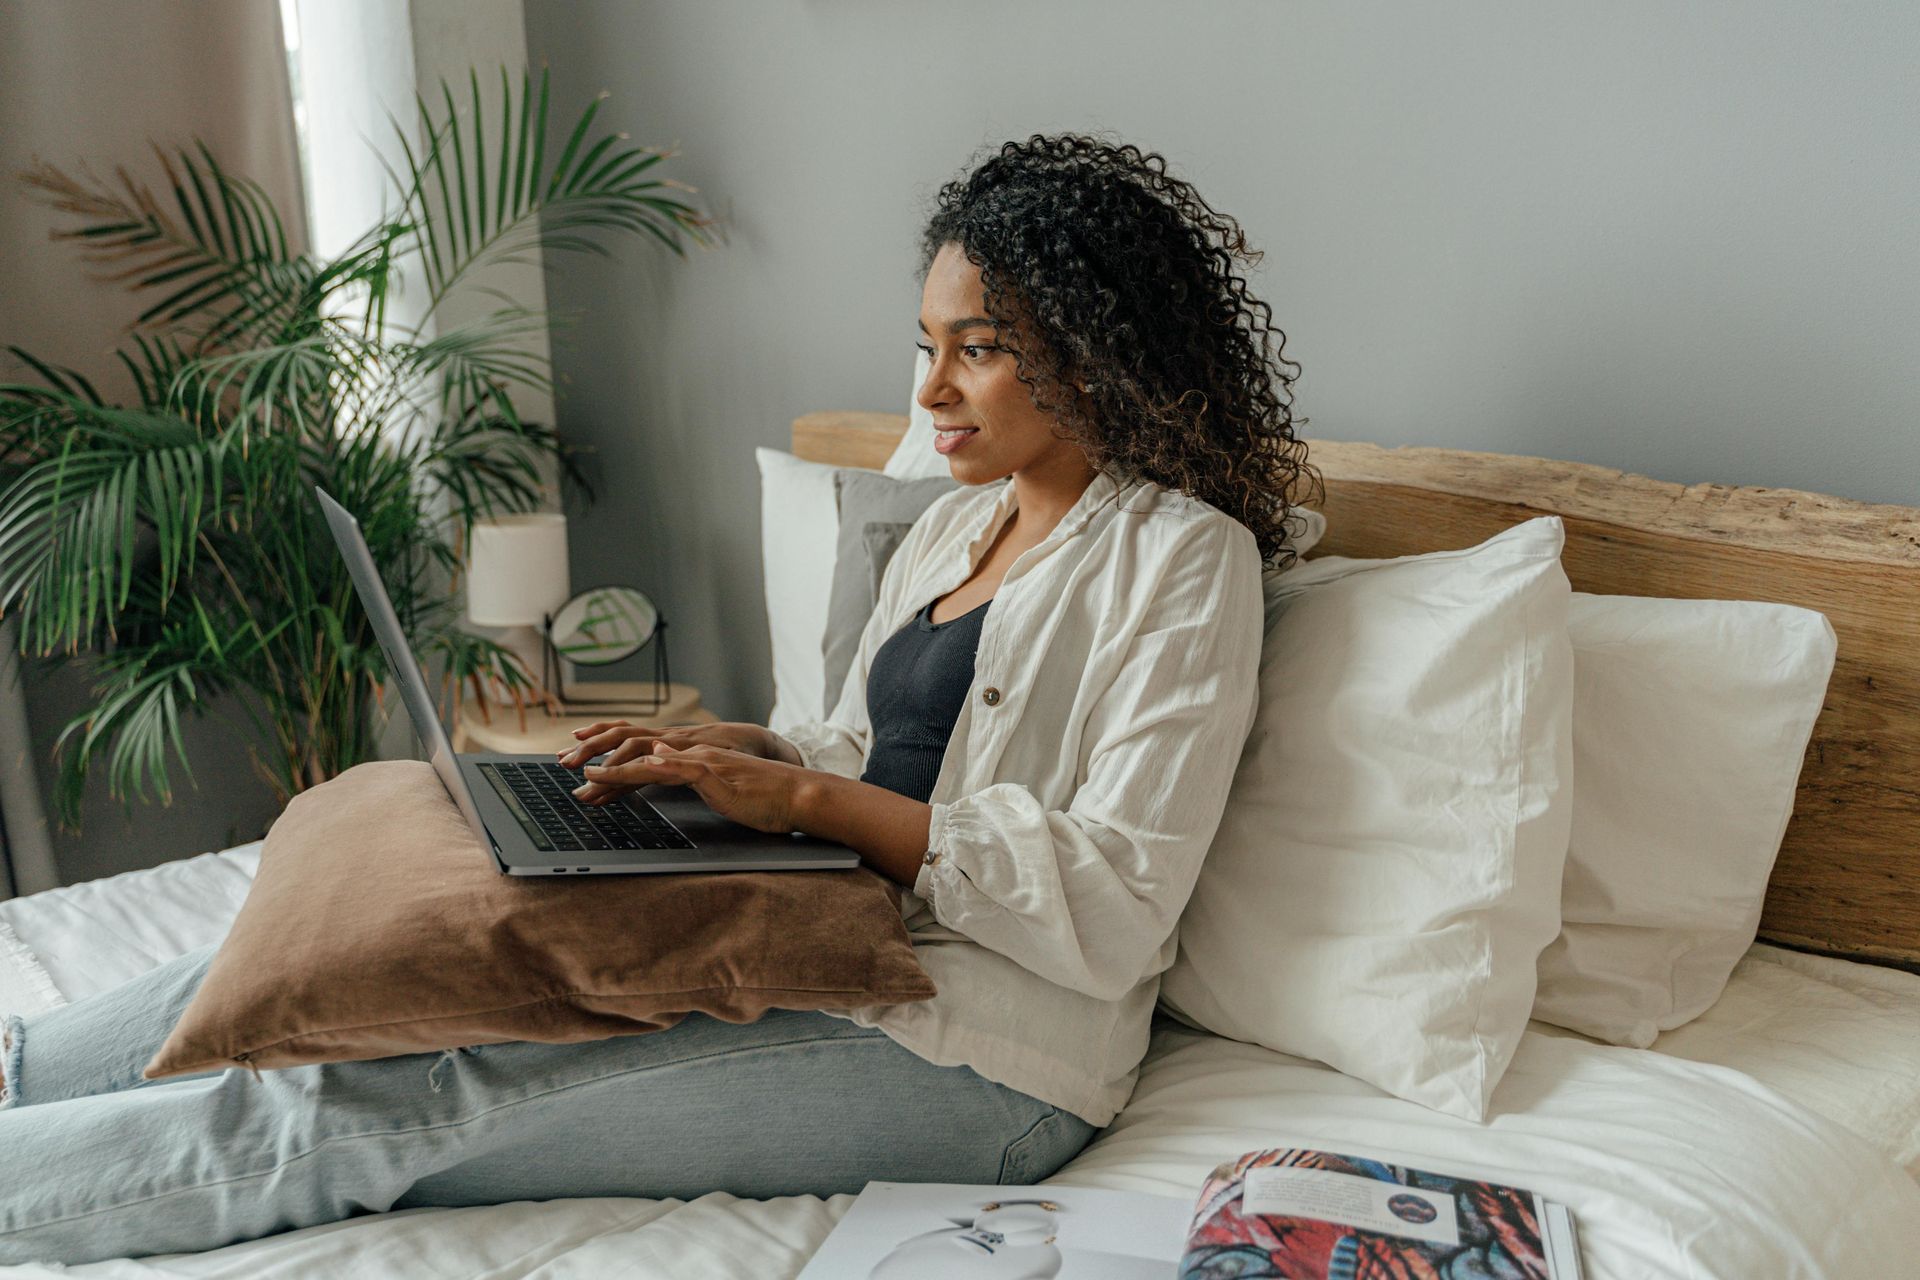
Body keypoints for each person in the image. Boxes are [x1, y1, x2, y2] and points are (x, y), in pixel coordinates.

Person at [0, 131, 1318, 1265]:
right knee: (301, 954)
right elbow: (878, 752)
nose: (926, 394)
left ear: (1092, 354)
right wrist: (727, 756)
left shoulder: (1180, 557)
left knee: (394, 1093)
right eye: (926, 346)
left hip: (985, 1058)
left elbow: (1118, 896)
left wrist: (803, 794)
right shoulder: (945, 537)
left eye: (976, 352)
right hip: (821, 938)